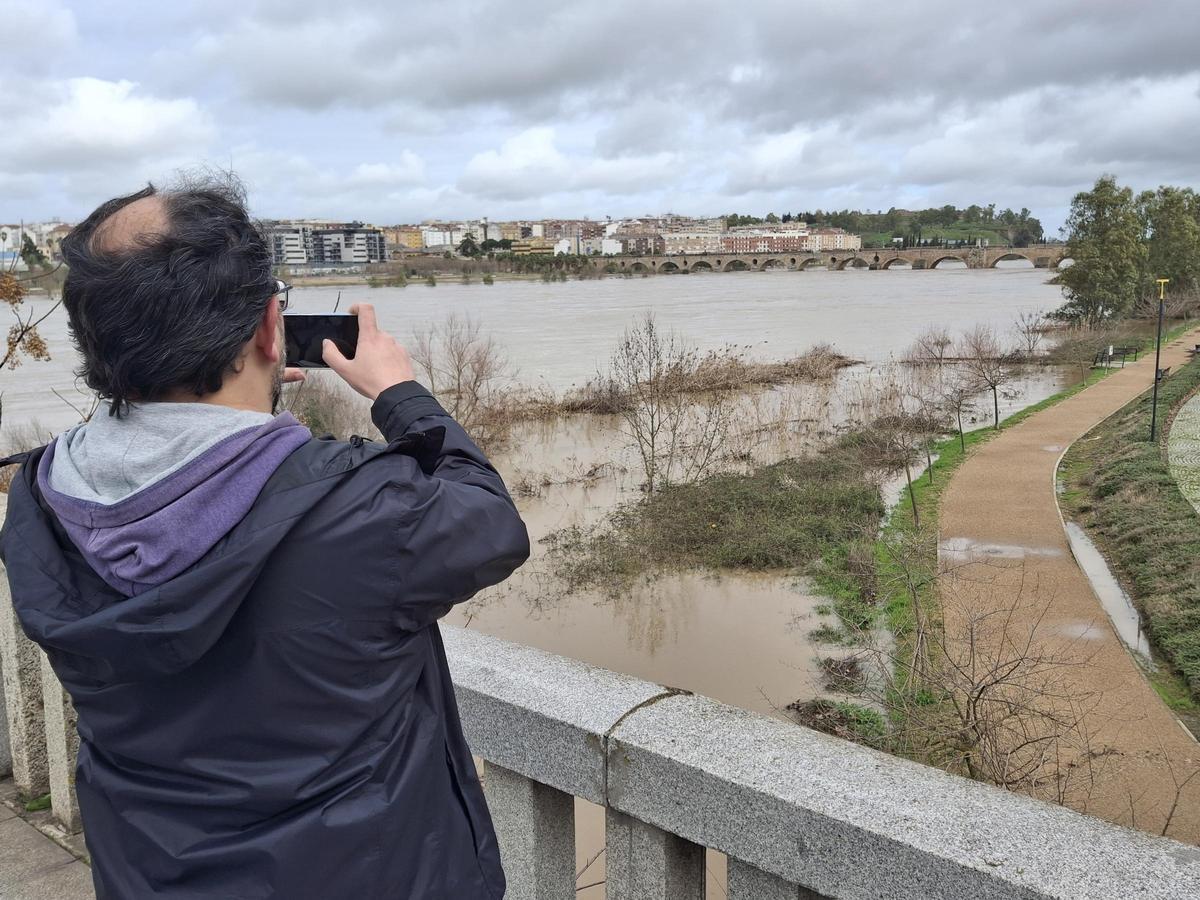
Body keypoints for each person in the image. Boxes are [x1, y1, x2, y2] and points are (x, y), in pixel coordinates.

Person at [0, 177, 529, 899]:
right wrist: (399, 394)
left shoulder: (39, 497)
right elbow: (491, 524)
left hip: (150, 874)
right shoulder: (356, 505)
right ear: (268, 329)